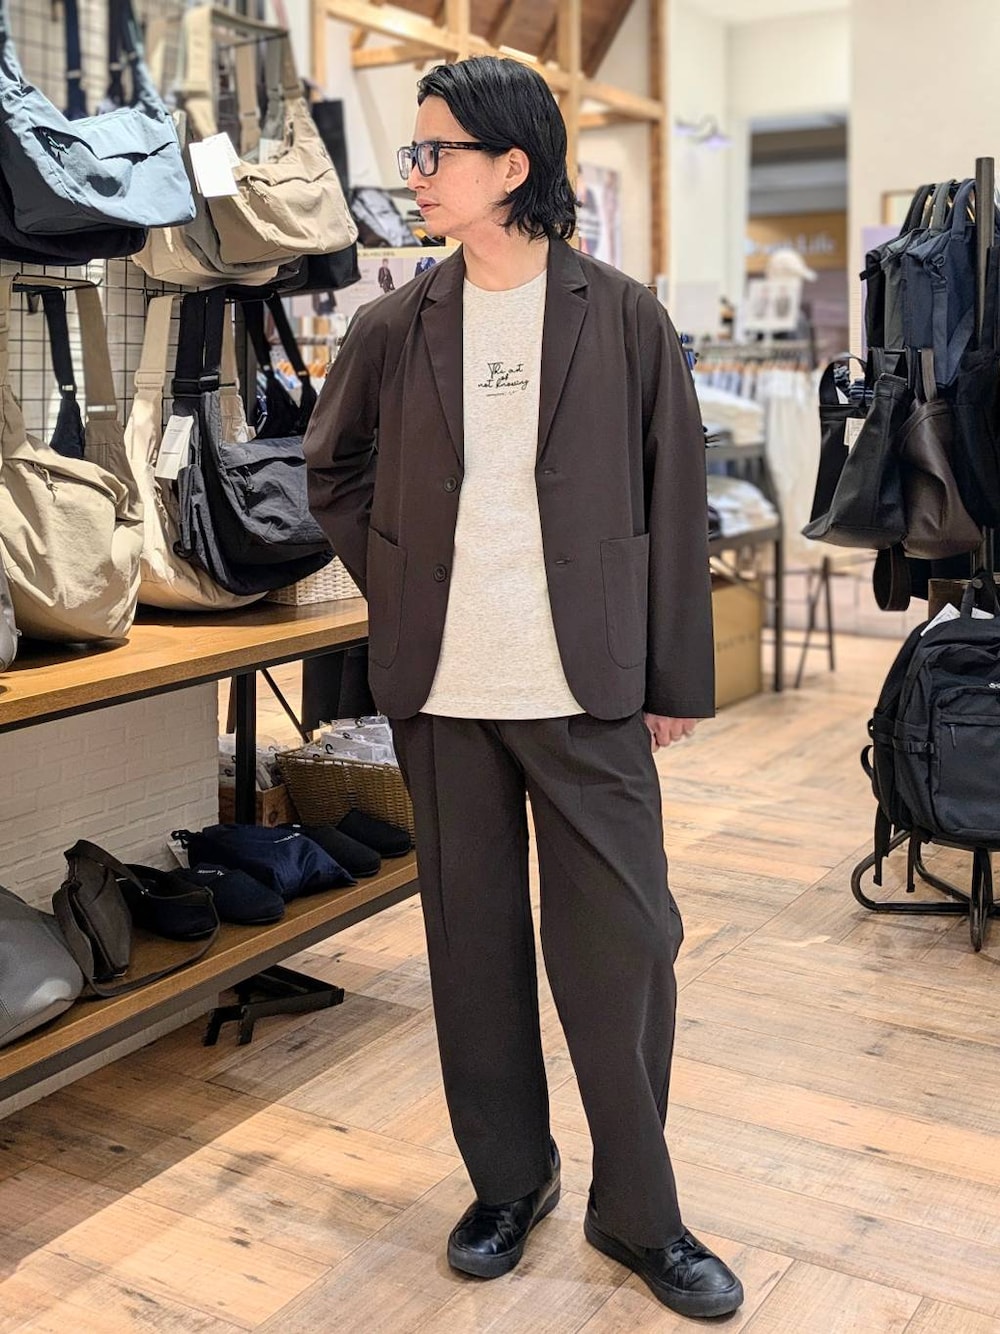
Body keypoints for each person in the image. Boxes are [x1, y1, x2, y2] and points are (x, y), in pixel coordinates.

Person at [303, 55, 743, 1320]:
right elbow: (332, 470)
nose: (414, 174)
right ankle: (510, 1179)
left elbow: (673, 494)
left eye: (433, 151)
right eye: (413, 152)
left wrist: (673, 673)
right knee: (472, 946)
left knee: (626, 947)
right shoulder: (395, 323)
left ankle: (639, 1210)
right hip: (444, 689)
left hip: (584, 684)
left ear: (512, 165)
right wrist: (404, 578)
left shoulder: (623, 316)